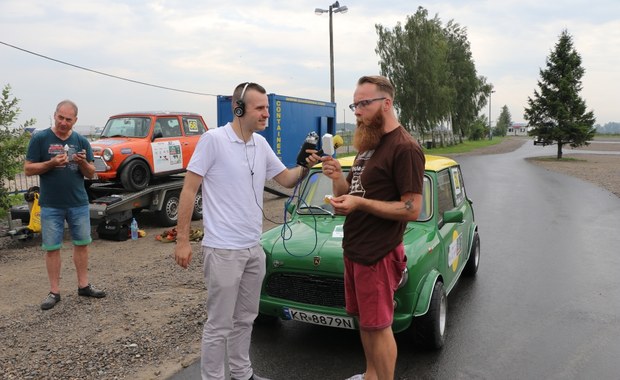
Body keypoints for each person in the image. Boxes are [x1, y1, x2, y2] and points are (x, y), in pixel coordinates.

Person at [174, 82, 320, 380]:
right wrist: (182, 239)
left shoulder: (260, 144)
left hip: (254, 248)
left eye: (267, 107)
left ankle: (242, 373)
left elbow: (286, 180)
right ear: (239, 109)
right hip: (223, 249)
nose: (267, 113)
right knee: (219, 323)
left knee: (245, 319)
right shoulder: (213, 140)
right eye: (260, 108)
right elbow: (189, 190)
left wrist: (303, 164)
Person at [321, 76, 425, 380]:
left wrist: (361, 205)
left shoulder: (404, 148)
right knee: (365, 322)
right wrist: (337, 176)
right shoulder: (370, 144)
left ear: (387, 104)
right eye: (355, 104)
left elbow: (412, 208)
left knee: (379, 328)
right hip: (355, 248)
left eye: (364, 103)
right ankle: (370, 375)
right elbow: (350, 194)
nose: (357, 110)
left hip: (378, 253)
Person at [24, 100, 106, 311]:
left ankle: (84, 285)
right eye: (60, 117)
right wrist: (51, 164)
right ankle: (54, 292)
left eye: (68, 119)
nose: (63, 122)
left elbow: (91, 173)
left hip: (78, 202)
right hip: (50, 204)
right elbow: (28, 169)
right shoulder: (40, 138)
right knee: (52, 248)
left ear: (75, 121)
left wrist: (81, 162)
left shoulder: (81, 141)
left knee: (82, 244)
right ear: (55, 115)